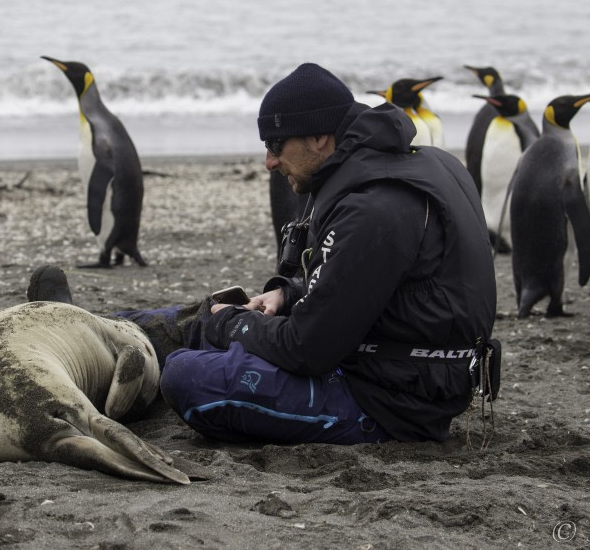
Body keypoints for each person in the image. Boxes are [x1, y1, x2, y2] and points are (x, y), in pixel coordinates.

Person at [110, 63, 498, 445]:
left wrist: (228, 326)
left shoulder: (374, 207)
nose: (269, 162)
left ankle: (106, 352)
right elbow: (382, 288)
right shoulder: (420, 166)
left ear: (318, 137)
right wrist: (290, 294)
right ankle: (86, 329)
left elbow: (307, 348)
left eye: (277, 145)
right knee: (198, 321)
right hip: (403, 369)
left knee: (188, 374)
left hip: (391, 401)